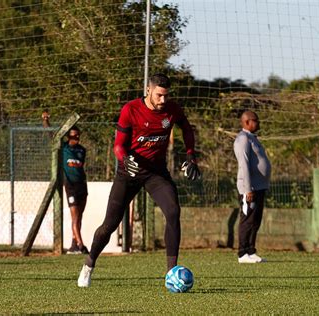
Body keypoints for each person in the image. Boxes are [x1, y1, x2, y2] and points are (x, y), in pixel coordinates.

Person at [77, 73, 201, 287]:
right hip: (129, 172)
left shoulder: (172, 110)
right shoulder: (131, 109)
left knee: (173, 211)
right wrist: (124, 160)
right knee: (109, 225)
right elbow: (118, 145)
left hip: (156, 173)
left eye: (166, 96)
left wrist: (191, 155)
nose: (163, 100)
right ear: (148, 91)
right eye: (159, 95)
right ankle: (88, 265)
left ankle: (171, 273)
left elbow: (187, 128)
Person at [42, 111, 89, 254]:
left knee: (79, 217)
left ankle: (74, 245)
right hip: (70, 186)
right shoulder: (64, 148)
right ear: (68, 136)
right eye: (73, 136)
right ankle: (81, 245)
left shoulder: (82, 150)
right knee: (74, 216)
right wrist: (46, 122)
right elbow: (52, 136)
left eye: (78, 136)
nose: (76, 138)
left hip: (82, 185)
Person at [233, 110, 271, 263]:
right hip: (250, 188)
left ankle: (251, 250)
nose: (258, 123)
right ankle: (242, 253)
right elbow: (244, 165)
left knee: (255, 220)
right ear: (247, 122)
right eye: (256, 120)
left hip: (260, 186)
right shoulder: (243, 139)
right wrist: (248, 189)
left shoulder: (252, 138)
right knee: (247, 219)